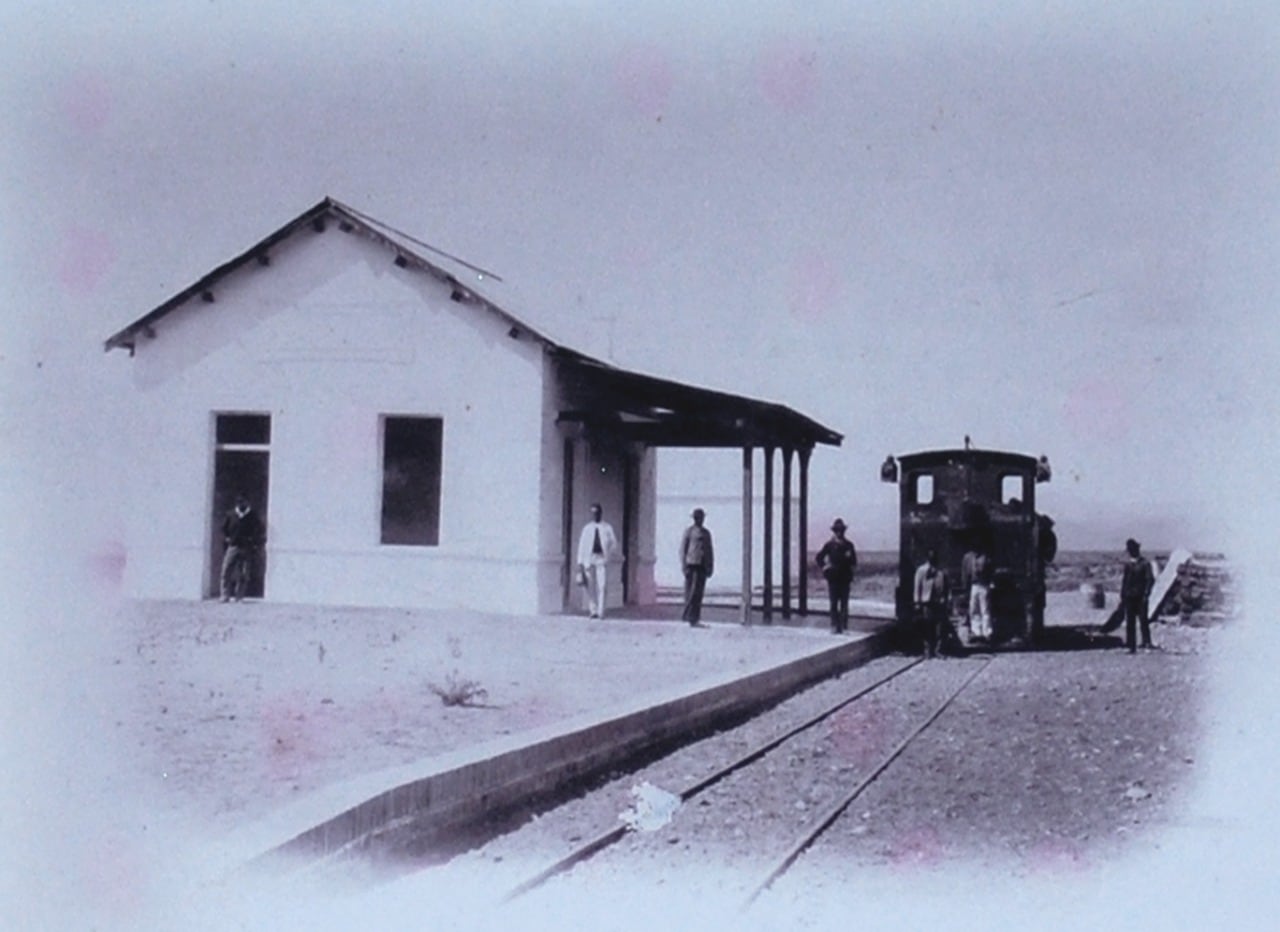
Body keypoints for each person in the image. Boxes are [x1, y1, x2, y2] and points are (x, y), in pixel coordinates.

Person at [815, 518, 858, 633]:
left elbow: (854, 561)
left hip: (845, 577)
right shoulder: (829, 545)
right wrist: (825, 567)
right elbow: (819, 557)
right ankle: (834, 625)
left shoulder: (849, 545)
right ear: (834, 531)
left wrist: (852, 572)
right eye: (837, 530)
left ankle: (844, 626)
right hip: (833, 577)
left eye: (841, 530)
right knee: (834, 602)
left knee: (844, 603)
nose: (839, 532)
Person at [576, 503, 618, 619]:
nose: (595, 515)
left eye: (597, 513)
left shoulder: (607, 528)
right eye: (593, 513)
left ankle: (601, 611)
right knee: (590, 586)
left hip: (601, 558)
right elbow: (582, 546)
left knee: (602, 585)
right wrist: (580, 564)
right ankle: (593, 610)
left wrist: (608, 555)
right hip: (589, 559)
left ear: (601, 513)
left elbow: (614, 544)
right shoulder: (587, 529)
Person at [220, 494, 265, 602]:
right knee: (226, 570)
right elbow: (224, 528)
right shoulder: (231, 515)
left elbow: (259, 529)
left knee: (244, 573)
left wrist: (253, 541)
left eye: (243, 503)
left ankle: (239, 596)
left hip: (246, 547)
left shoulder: (252, 516)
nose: (242, 505)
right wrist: (228, 539)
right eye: (240, 503)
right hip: (233, 546)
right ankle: (225, 595)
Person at [679, 508, 715, 627]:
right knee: (691, 592)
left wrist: (710, 566)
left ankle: (695, 617)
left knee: (699, 593)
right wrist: (684, 565)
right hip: (691, 565)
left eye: (701, 517)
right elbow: (683, 550)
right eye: (698, 517)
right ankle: (687, 615)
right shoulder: (689, 532)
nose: (700, 520)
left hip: (702, 566)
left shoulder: (706, 533)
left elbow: (709, 550)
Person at [1120, 538, 1156, 653]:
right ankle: (1131, 645)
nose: (1130, 552)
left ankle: (1146, 642)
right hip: (1130, 596)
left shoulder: (1145, 564)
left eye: (1132, 549)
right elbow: (1125, 582)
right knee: (1130, 621)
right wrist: (1123, 594)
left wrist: (1146, 594)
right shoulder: (1128, 565)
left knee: (1143, 620)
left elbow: (1150, 580)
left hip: (1141, 597)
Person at [913, 549, 950, 658]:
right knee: (927, 626)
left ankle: (938, 650)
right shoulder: (921, 570)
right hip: (926, 602)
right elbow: (917, 586)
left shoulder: (941, 572)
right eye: (931, 557)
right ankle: (927, 650)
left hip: (938, 602)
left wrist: (946, 599)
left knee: (939, 627)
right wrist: (917, 602)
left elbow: (946, 588)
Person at [961, 542, 993, 640]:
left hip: (983, 584)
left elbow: (990, 570)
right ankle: (976, 632)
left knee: (985, 609)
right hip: (974, 585)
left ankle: (987, 632)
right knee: (974, 609)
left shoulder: (985, 557)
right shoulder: (969, 557)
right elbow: (966, 572)